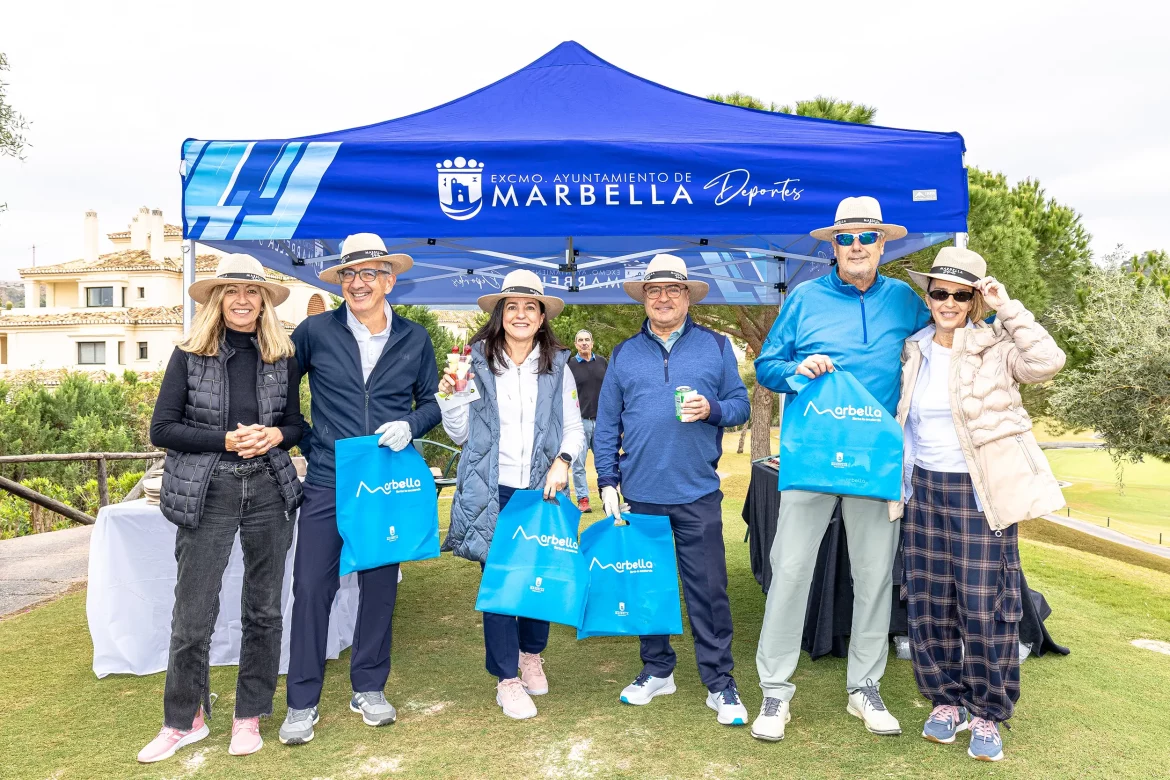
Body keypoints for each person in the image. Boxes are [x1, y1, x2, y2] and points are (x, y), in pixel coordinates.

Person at [750, 196, 930, 742]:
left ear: (883, 244)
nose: (855, 246)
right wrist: (796, 369)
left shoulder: (905, 300)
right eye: (845, 238)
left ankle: (864, 688)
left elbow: (950, 336)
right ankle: (775, 691)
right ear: (832, 245)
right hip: (813, 455)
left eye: (866, 237)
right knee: (789, 570)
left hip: (876, 461)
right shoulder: (805, 298)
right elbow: (766, 365)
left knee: (874, 576)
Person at [897, 247, 1065, 762]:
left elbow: (1048, 362)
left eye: (960, 294)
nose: (948, 302)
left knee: (984, 605)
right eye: (939, 292)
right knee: (929, 602)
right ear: (928, 296)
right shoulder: (914, 348)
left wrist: (1006, 306)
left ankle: (988, 710)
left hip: (980, 493)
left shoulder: (998, 346)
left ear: (973, 300)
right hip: (922, 489)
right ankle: (945, 701)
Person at [140, 254, 304, 762]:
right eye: (231, 290)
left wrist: (275, 435)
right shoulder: (188, 355)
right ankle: (183, 719)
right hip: (209, 492)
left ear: (264, 301)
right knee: (192, 614)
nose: (242, 299)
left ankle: (248, 715)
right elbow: (162, 429)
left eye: (251, 291)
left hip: (269, 489)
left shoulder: (281, 355)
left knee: (264, 611)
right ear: (216, 299)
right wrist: (226, 441)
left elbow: (296, 425)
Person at [279, 233, 441, 746]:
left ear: (389, 281)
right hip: (328, 478)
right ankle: (301, 701)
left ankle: (368, 687)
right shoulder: (314, 332)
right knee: (311, 587)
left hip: (384, 481)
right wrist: (308, 441)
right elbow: (283, 395)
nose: (358, 283)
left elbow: (432, 403)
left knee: (379, 588)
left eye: (369, 273)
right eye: (349, 274)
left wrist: (411, 425)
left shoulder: (414, 338)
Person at [593, 253, 751, 726]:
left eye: (673, 289)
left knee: (710, 592)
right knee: (647, 588)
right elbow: (607, 425)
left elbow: (740, 404)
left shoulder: (716, 345)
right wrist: (607, 481)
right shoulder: (623, 353)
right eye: (654, 290)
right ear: (644, 298)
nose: (663, 298)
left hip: (698, 492)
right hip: (640, 495)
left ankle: (719, 681)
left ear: (687, 297)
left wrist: (713, 409)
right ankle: (658, 669)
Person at [440, 269, 584, 721]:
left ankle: (531, 655)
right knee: (500, 582)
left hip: (541, 490)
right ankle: (506, 679)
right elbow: (460, 434)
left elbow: (575, 428)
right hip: (491, 490)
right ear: (500, 314)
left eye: (530, 307)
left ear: (541, 318)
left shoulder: (559, 366)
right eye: (512, 306)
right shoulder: (474, 362)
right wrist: (451, 398)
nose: (520, 314)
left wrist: (563, 461)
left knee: (538, 575)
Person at [567, 329, 608, 513]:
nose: (584, 343)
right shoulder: (570, 365)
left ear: (592, 343)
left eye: (587, 340)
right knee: (578, 465)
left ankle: (606, 496)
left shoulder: (602, 362)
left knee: (604, 463)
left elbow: (610, 390)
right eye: (580, 340)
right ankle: (583, 499)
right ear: (576, 344)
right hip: (579, 422)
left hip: (601, 421)